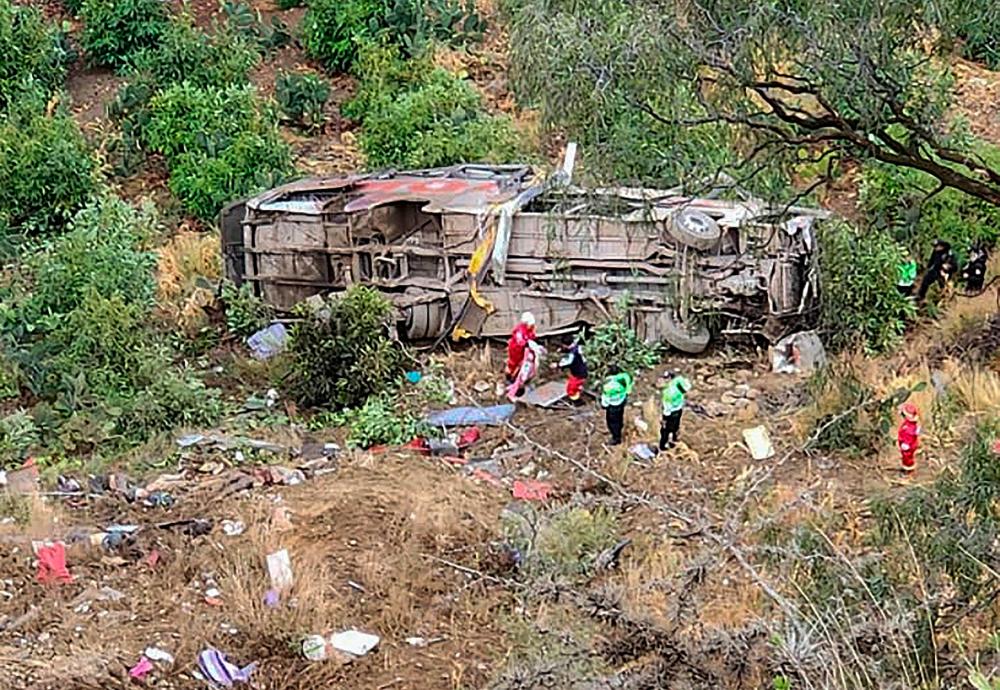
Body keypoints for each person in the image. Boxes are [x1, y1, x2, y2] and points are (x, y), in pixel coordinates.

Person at [659, 371, 693, 451]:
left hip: (671, 412)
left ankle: (663, 446)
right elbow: (687, 385)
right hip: (679, 409)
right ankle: (674, 440)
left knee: (665, 430)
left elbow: (667, 408)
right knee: (675, 427)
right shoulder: (679, 381)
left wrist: (664, 418)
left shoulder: (668, 392)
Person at [600, 364, 634, 446]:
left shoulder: (607, 383)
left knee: (612, 421)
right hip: (622, 400)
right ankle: (619, 428)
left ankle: (616, 438)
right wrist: (625, 393)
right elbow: (629, 387)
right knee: (619, 417)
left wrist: (604, 405)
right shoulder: (624, 377)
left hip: (612, 404)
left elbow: (606, 396)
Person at [557, 335, 588, 405]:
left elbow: (568, 361)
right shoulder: (577, 347)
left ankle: (577, 402)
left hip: (579, 373)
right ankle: (578, 393)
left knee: (571, 389)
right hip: (582, 370)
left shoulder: (572, 354)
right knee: (575, 385)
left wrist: (557, 365)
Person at [506, 312, 537, 383]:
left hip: (524, 350)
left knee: (522, 363)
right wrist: (527, 343)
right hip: (516, 349)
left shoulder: (529, 328)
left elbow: (532, 335)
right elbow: (520, 341)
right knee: (514, 363)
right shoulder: (520, 331)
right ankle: (510, 377)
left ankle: (518, 376)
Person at [896, 402, 921, 474]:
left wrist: (906, 444)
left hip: (908, 445)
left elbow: (909, 436)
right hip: (909, 444)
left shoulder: (909, 428)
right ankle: (907, 467)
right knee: (906, 457)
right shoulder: (909, 424)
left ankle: (908, 470)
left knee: (907, 457)